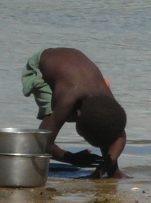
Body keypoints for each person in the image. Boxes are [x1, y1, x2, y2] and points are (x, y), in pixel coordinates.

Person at [21, 48, 127, 178]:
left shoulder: (107, 101)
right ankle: (36, 168)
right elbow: (42, 142)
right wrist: (72, 158)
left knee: (105, 123)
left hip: (73, 68)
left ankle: (112, 171)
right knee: (54, 118)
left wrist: (108, 162)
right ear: (79, 113)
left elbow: (120, 135)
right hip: (41, 67)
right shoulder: (68, 99)